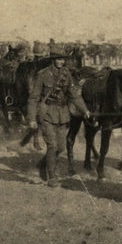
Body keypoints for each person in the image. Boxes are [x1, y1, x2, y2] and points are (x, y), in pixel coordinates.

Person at [27, 47, 91, 188]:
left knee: (61, 147)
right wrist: (31, 119)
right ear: (53, 60)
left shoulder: (66, 74)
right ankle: (52, 176)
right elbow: (33, 98)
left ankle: (42, 165)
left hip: (63, 114)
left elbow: (74, 95)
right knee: (52, 145)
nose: (61, 62)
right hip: (47, 114)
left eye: (63, 59)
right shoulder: (43, 75)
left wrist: (85, 110)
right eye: (59, 59)